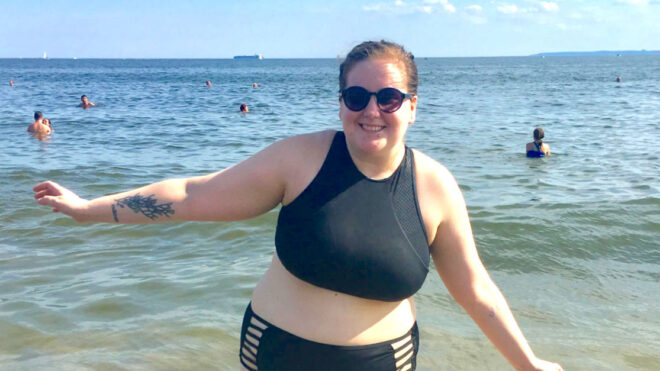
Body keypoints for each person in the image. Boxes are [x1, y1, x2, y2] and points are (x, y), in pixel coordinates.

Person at [33, 40, 562, 371]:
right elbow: (193, 195)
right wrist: (89, 208)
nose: (371, 110)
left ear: (412, 107)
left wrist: (527, 364)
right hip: (276, 352)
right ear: (341, 103)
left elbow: (475, 289)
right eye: (356, 98)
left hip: (385, 361)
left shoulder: (435, 186)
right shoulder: (300, 158)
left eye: (389, 98)